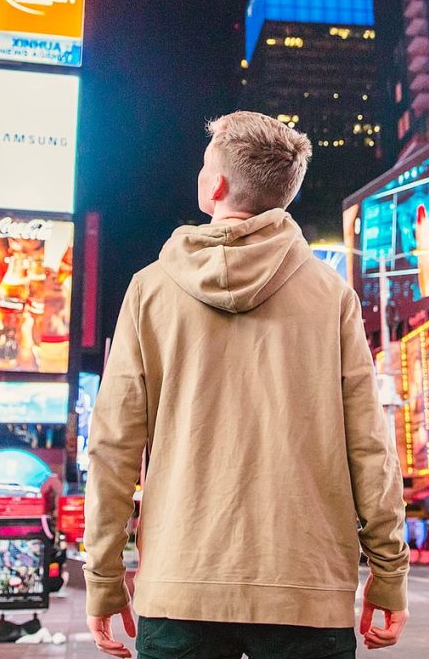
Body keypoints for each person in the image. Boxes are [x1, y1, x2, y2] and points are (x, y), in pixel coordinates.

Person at [83, 111, 409, 659]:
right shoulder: (332, 296)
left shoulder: (150, 290)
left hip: (179, 588)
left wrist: (104, 577)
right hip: (306, 590)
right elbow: (371, 448)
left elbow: (113, 447)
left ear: (215, 185)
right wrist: (388, 570)